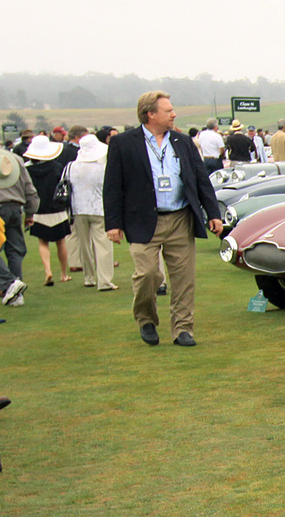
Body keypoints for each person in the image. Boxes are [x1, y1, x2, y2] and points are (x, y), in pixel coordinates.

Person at [103, 90, 224, 346]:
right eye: (168, 110)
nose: (174, 114)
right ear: (150, 114)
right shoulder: (123, 143)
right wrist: (113, 223)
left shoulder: (182, 141)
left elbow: (201, 179)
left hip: (180, 218)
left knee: (183, 279)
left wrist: (213, 213)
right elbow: (112, 186)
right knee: (148, 275)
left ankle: (183, 329)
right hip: (142, 220)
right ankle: (146, 319)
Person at [64, 134, 115, 290]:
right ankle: (105, 281)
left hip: (78, 209)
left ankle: (89, 278)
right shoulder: (103, 167)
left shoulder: (70, 166)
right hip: (99, 208)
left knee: (84, 245)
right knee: (103, 245)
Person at [24, 135, 73, 285]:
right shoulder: (57, 167)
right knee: (61, 242)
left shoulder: (27, 169)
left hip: (38, 209)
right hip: (57, 208)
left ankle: (48, 270)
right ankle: (63, 274)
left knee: (43, 243)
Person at [0, 143, 39, 305]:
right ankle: (17, 295)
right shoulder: (15, 159)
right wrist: (30, 212)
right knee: (15, 250)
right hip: (15, 208)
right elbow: (29, 189)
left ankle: (10, 283)